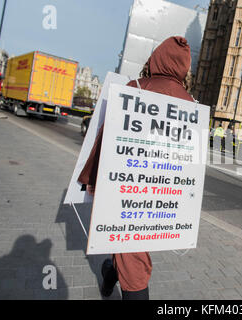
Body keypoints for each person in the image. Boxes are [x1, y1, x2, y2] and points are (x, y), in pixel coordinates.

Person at [78, 36, 195, 300]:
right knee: (129, 248)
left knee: (133, 260)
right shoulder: (191, 104)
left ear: (157, 58)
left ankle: (118, 279)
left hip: (129, 187)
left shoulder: (137, 88)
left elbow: (107, 137)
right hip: (163, 193)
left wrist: (90, 177)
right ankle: (110, 274)